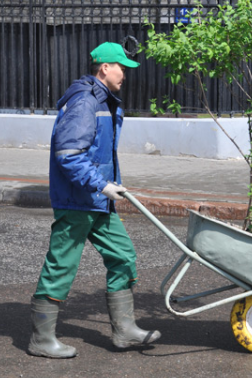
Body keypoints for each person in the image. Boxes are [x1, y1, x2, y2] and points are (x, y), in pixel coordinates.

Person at [28, 41, 160, 359]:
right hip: (78, 199)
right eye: (122, 68)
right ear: (104, 68)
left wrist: (108, 187)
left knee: (123, 256)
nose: (125, 74)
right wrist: (101, 185)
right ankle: (41, 340)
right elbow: (69, 155)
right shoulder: (85, 102)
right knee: (62, 266)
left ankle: (125, 331)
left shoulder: (102, 101)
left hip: (97, 199)